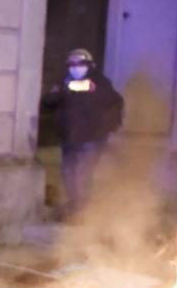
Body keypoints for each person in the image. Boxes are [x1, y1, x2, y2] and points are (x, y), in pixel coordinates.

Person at [41, 48, 124, 219]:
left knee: (82, 175)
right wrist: (58, 93)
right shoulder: (65, 82)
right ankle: (75, 207)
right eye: (71, 64)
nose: (75, 67)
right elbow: (48, 101)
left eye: (80, 63)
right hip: (69, 139)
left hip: (91, 139)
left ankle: (80, 212)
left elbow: (114, 101)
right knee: (68, 174)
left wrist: (95, 91)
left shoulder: (100, 82)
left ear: (89, 65)